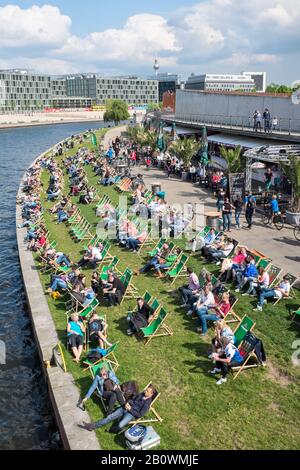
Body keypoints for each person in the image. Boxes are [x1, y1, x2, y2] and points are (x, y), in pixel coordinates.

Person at [80, 385, 156, 433]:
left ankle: (112, 430)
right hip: (126, 407)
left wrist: (130, 409)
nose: (145, 391)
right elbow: (132, 399)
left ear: (151, 394)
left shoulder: (147, 404)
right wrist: (127, 403)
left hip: (131, 414)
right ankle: (91, 426)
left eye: (147, 391)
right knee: (110, 417)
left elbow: (140, 415)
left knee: (120, 425)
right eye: (146, 390)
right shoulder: (141, 394)